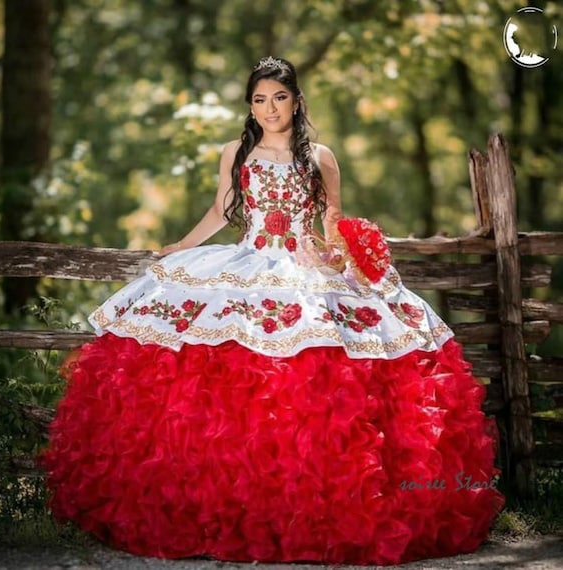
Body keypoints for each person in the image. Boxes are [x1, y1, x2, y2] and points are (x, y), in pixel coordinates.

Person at [41, 56, 504, 566]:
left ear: (296, 100)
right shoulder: (236, 151)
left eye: (278, 98)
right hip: (250, 258)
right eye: (259, 100)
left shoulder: (320, 157)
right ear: (250, 106)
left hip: (303, 263)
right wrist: (181, 245)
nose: (269, 109)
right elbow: (222, 210)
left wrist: (338, 253)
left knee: (316, 363)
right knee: (223, 364)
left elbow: (331, 218)